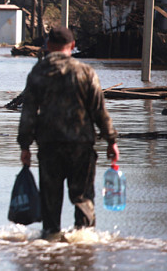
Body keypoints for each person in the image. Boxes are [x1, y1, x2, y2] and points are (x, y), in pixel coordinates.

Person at [17, 26, 119, 240]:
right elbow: (99, 110)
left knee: (50, 201)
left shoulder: (38, 72)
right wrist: (111, 140)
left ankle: (50, 241)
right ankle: (84, 245)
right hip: (80, 146)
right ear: (72, 46)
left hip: (49, 146)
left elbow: (28, 113)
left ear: (47, 46)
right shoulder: (85, 72)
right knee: (82, 197)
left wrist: (24, 146)